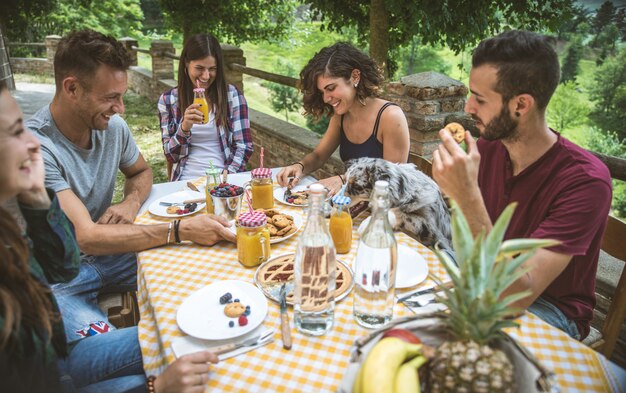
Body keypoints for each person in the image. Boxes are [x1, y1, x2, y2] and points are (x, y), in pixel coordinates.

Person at [0, 80, 219, 393]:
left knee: (197, 336)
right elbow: (82, 244)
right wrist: (156, 388)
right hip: (59, 375)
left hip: (63, 353)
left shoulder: (6, 231)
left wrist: (38, 197)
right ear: (72, 88)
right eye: (14, 131)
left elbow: (63, 266)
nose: (31, 143)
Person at [25, 30, 235, 344]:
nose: (121, 108)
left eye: (121, 96)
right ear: (72, 88)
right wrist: (179, 230)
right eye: (111, 98)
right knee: (93, 352)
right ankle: (202, 348)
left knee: (209, 261)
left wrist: (130, 203)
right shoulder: (34, 148)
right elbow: (87, 236)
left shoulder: (112, 127)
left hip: (113, 254)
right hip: (55, 276)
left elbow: (141, 171)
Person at [432, 30, 612, 340]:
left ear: (521, 105)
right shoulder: (487, 148)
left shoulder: (586, 181)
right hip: (482, 282)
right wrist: (452, 195)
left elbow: (517, 294)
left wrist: (466, 196)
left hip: (549, 308)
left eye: (480, 97)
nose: (468, 107)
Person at [276, 42, 410, 196]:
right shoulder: (340, 116)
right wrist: (300, 166)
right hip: (348, 202)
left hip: (382, 210)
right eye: (322, 92)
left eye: (331, 88)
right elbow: (319, 156)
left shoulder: (390, 117)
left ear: (355, 77)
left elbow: (393, 178)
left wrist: (345, 178)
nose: (326, 99)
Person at [158, 33, 253, 181]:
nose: (206, 76)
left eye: (212, 69)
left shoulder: (232, 96)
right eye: (199, 68)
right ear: (186, 65)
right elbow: (171, 155)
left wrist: (229, 175)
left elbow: (244, 146)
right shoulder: (168, 100)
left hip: (223, 179)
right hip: (186, 181)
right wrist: (184, 128)